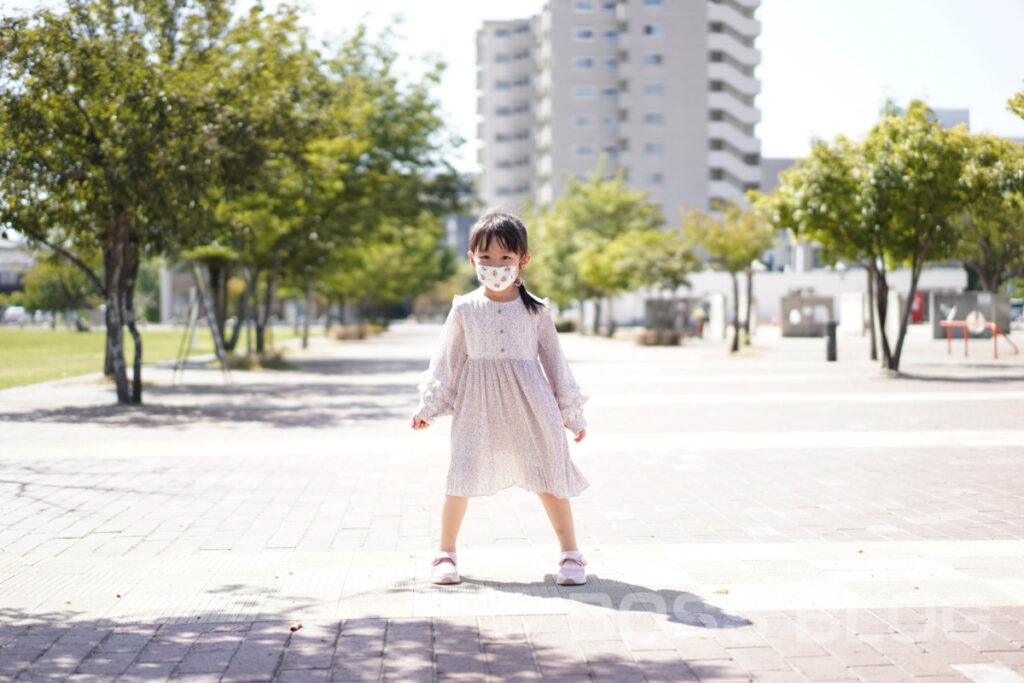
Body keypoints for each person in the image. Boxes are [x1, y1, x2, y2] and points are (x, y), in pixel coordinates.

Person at [412, 212, 589, 586]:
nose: (495, 266)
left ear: (523, 260)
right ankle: (445, 553)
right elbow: (447, 359)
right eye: (486, 258)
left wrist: (572, 416)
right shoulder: (463, 308)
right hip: (478, 405)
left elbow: (555, 361)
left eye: (505, 258)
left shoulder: (537, 309)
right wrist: (428, 407)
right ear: (472, 258)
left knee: (548, 471)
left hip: (532, 404)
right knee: (461, 472)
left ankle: (571, 555)